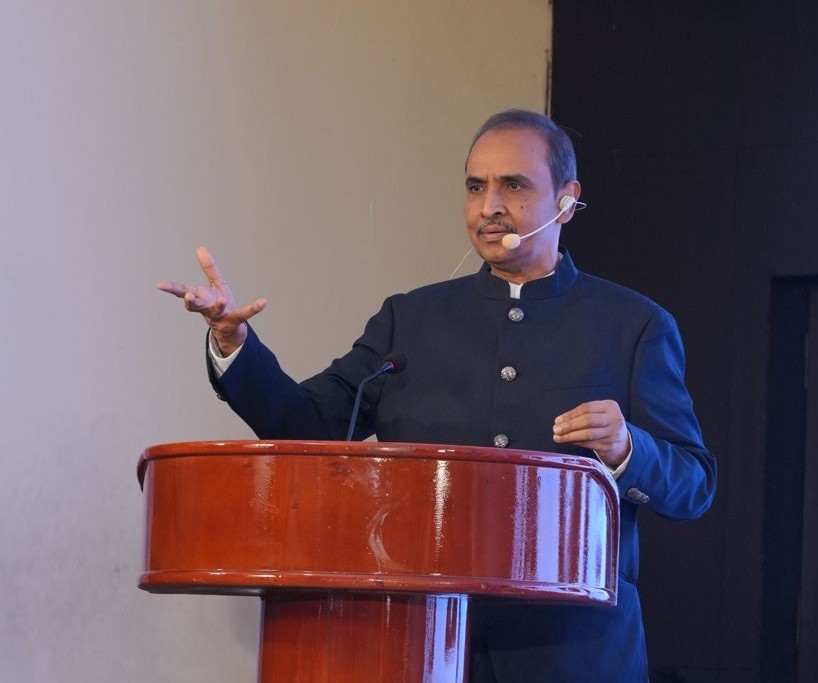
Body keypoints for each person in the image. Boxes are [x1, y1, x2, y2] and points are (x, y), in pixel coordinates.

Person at [158, 108, 717, 682]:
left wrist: (627, 448)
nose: (489, 206)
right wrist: (234, 344)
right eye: (475, 187)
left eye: (514, 186)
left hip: (575, 656)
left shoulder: (633, 325)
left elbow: (694, 484)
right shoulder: (409, 320)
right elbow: (307, 425)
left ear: (566, 201)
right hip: (421, 650)